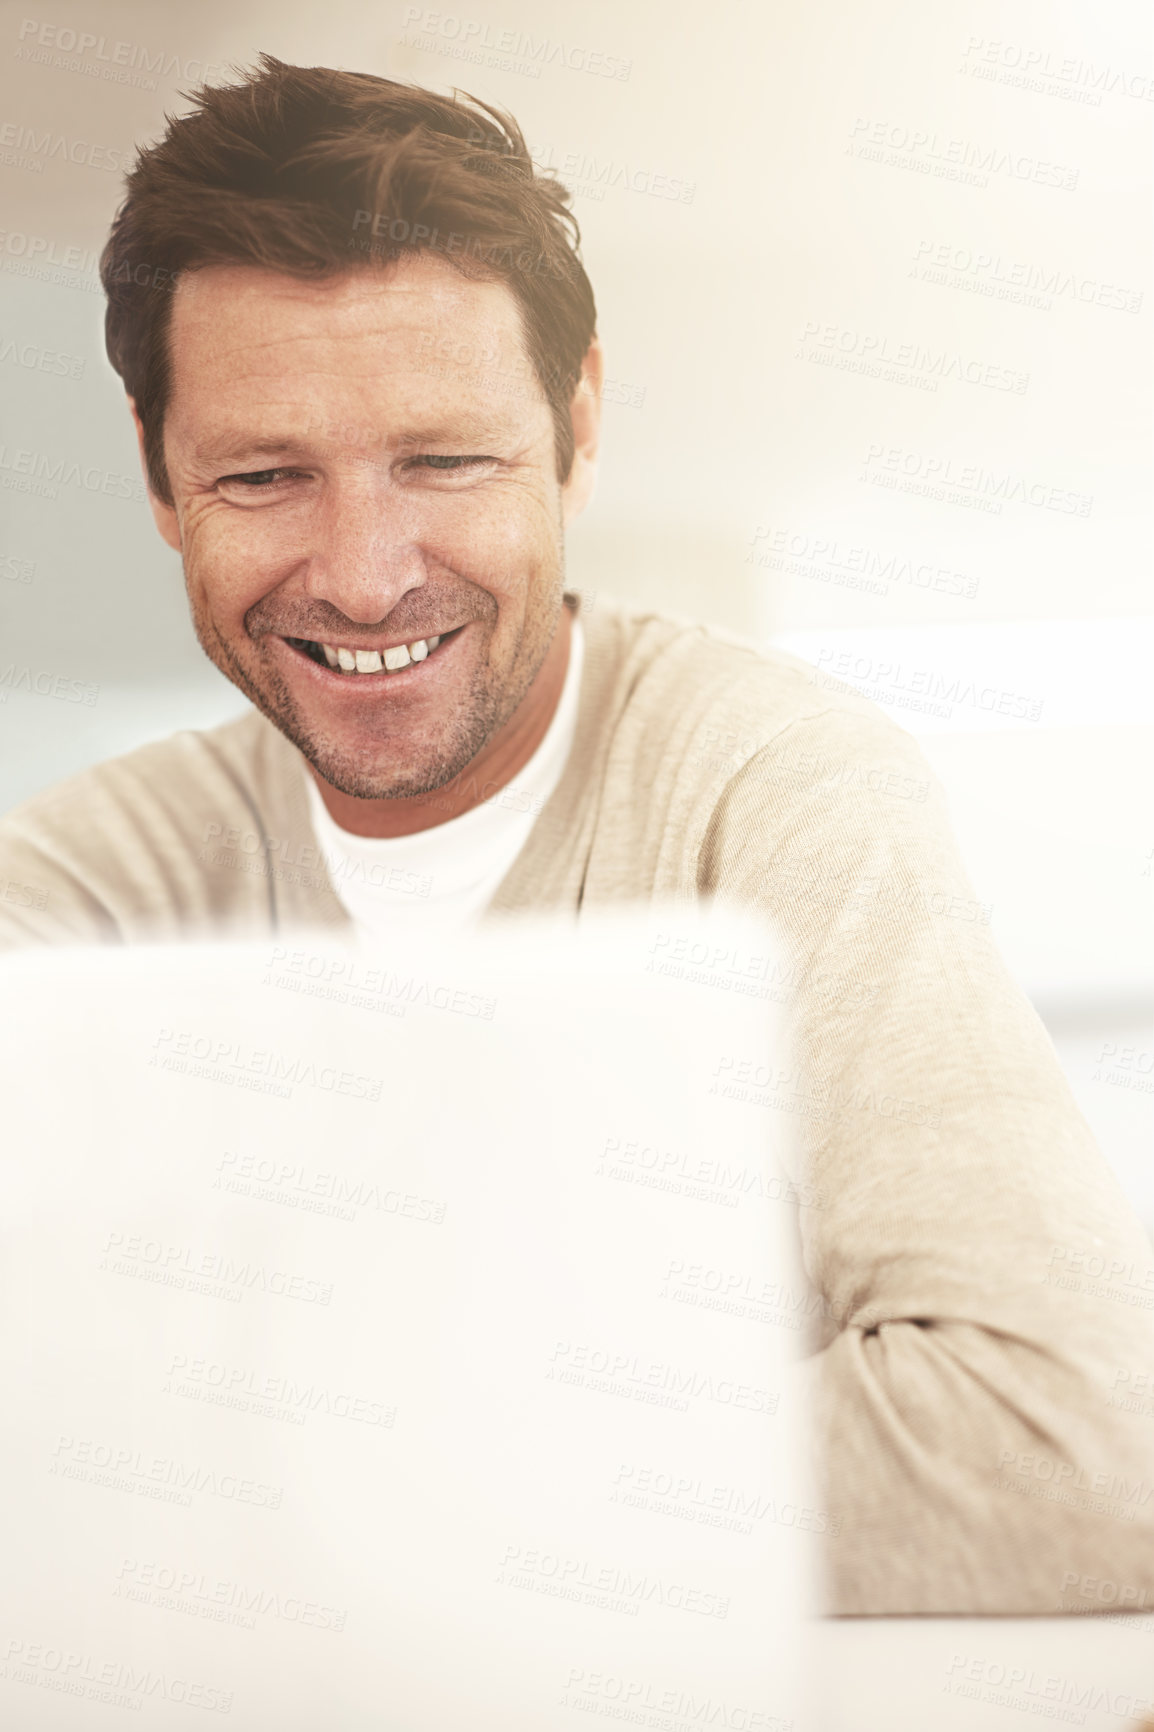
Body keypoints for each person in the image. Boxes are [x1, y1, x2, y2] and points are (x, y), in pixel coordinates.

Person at [1, 54, 1151, 1615]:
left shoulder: (770, 792)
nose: (359, 574)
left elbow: (1072, 1453)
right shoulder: (82, 892)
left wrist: (277, 1476)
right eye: (264, 476)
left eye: (444, 461)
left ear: (578, 426)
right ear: (156, 477)